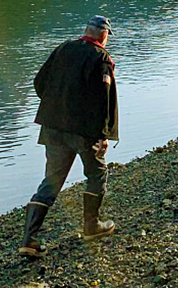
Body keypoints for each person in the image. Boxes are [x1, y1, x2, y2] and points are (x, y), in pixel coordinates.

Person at [19, 15, 119, 258]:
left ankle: (29, 239)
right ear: (104, 35)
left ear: (85, 31)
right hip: (84, 132)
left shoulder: (63, 49)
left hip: (53, 128)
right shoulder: (101, 58)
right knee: (96, 173)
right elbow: (103, 101)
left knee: (51, 180)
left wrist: (57, 107)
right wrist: (103, 134)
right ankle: (92, 226)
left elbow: (39, 82)